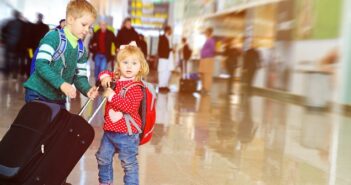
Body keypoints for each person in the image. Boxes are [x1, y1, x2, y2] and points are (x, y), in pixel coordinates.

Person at [23, 0, 98, 112]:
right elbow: (41, 65)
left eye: (89, 26)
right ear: (70, 19)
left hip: (58, 99)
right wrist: (62, 84)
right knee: (39, 127)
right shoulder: (53, 37)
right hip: (38, 93)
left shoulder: (82, 50)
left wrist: (87, 89)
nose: (87, 30)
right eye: (84, 24)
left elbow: (80, 77)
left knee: (55, 129)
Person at [95, 41, 149, 185]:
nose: (129, 66)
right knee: (103, 158)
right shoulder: (116, 79)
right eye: (125, 62)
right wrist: (104, 77)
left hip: (128, 134)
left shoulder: (137, 87)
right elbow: (103, 72)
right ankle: (105, 182)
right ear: (119, 65)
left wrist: (112, 95)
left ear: (140, 66)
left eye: (134, 63)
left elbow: (130, 107)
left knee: (129, 164)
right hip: (110, 131)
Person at [199, 27, 216, 94]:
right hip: (204, 59)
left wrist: (204, 53)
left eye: (206, 32)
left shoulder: (211, 40)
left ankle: (206, 89)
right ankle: (203, 87)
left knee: (207, 74)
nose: (205, 33)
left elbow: (212, 50)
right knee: (202, 74)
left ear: (209, 32)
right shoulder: (207, 40)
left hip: (208, 59)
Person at [157, 25, 173, 93]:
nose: (171, 31)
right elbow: (162, 48)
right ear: (167, 30)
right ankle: (161, 86)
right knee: (162, 72)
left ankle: (165, 85)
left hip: (168, 58)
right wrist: (170, 49)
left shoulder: (168, 38)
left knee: (167, 72)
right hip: (163, 58)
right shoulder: (162, 38)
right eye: (170, 30)